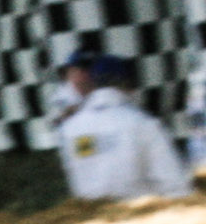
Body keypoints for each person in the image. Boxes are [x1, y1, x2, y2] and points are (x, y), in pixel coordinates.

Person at [54, 51, 192, 200]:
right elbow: (175, 184)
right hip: (142, 214)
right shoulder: (143, 124)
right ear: (127, 83)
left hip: (89, 217)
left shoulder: (69, 130)